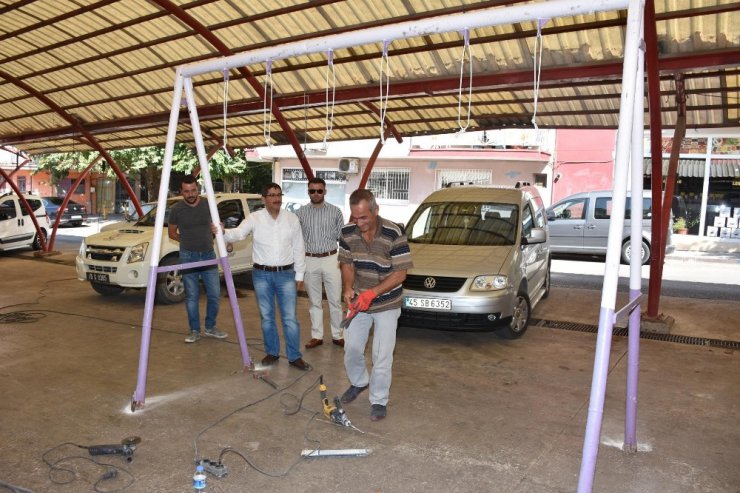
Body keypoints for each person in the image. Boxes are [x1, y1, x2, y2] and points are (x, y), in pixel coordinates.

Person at [219, 183, 311, 371]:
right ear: (263, 199)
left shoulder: (291, 219)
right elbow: (238, 234)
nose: (276, 199)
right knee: (267, 317)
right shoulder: (254, 218)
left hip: (286, 274)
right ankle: (272, 352)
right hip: (261, 275)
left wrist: (299, 275)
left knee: (290, 319)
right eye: (271, 195)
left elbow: (299, 248)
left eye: (279, 194)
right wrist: (222, 232)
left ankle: (294, 356)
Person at [338, 189, 413, 421]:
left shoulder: (394, 233)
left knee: (382, 355)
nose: (359, 223)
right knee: (351, 349)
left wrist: (372, 293)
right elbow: (347, 264)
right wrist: (348, 289)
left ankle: (379, 399)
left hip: (387, 303)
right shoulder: (347, 232)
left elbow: (400, 274)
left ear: (375, 210)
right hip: (360, 301)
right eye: (355, 217)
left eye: (364, 217)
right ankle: (359, 382)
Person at [168, 175, 227, 343]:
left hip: (208, 254)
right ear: (181, 192)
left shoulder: (209, 205)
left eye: (193, 190)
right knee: (192, 296)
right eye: (186, 191)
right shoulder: (176, 209)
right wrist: (185, 242)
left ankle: (210, 327)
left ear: (198, 189)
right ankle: (194, 330)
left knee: (215, 294)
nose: (190, 194)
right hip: (188, 256)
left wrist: (220, 228)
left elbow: (218, 225)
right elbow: (171, 232)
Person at [295, 178, 345, 349]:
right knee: (314, 301)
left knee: (335, 300)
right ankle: (317, 335)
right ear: (308, 192)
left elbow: (342, 238)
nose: (316, 194)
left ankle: (338, 334)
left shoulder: (335, 212)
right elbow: (296, 239)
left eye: (319, 191)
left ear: (325, 191)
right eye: (312, 191)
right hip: (309, 260)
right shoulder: (300, 213)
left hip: (332, 259)